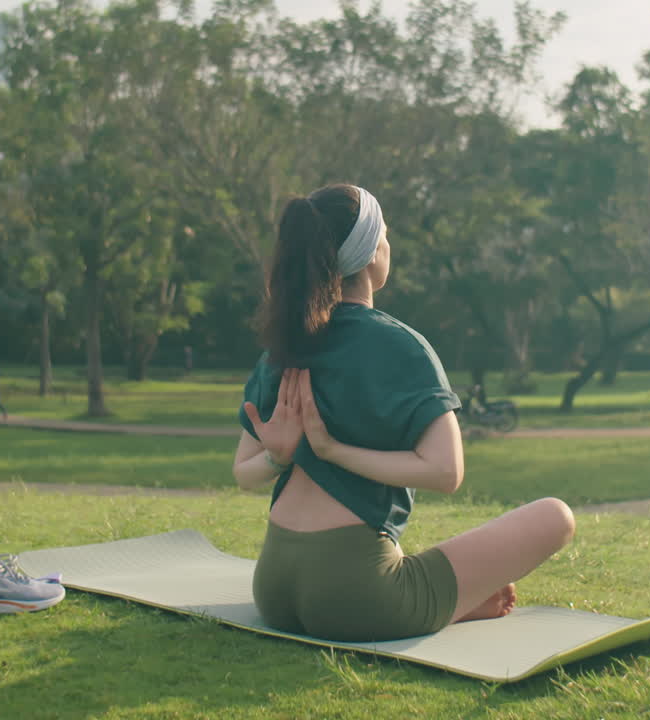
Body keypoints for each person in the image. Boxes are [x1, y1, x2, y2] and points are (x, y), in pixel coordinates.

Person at [233, 184, 575, 643]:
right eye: (386, 236)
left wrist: (281, 457)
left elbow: (243, 474)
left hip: (273, 589)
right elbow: (445, 471)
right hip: (360, 599)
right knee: (556, 515)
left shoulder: (282, 346)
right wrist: (332, 451)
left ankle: (450, 601)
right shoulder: (401, 346)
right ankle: (450, 606)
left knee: (394, 560)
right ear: (372, 255)